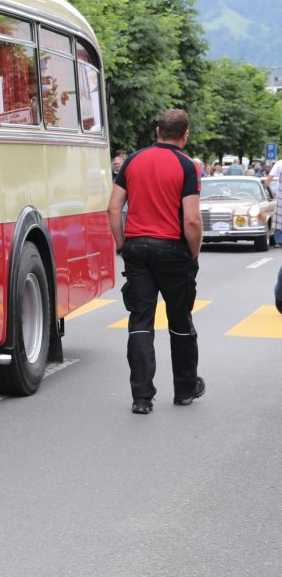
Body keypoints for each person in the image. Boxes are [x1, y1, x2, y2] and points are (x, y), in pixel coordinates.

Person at [108, 108, 203, 414]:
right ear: (185, 135)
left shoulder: (133, 160)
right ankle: (185, 389)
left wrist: (122, 244)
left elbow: (113, 208)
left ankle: (141, 397)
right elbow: (192, 220)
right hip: (173, 250)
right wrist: (193, 254)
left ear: (157, 131)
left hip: (137, 249)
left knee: (140, 322)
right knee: (180, 320)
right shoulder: (187, 166)